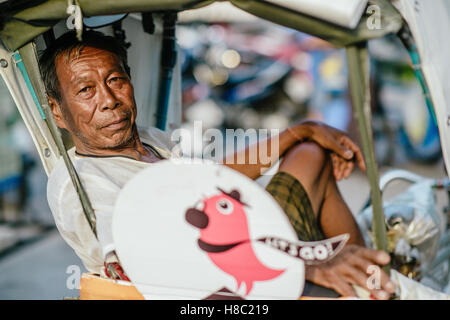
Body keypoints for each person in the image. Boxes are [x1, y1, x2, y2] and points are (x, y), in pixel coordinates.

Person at [41, 31, 395, 299]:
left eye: (115, 80)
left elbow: (216, 177)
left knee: (309, 152)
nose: (108, 101)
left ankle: (370, 274)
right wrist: (309, 264)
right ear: (58, 111)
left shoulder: (151, 141)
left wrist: (298, 132)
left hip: (236, 252)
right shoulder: (79, 182)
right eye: (85, 91)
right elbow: (150, 260)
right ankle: (363, 280)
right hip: (207, 288)